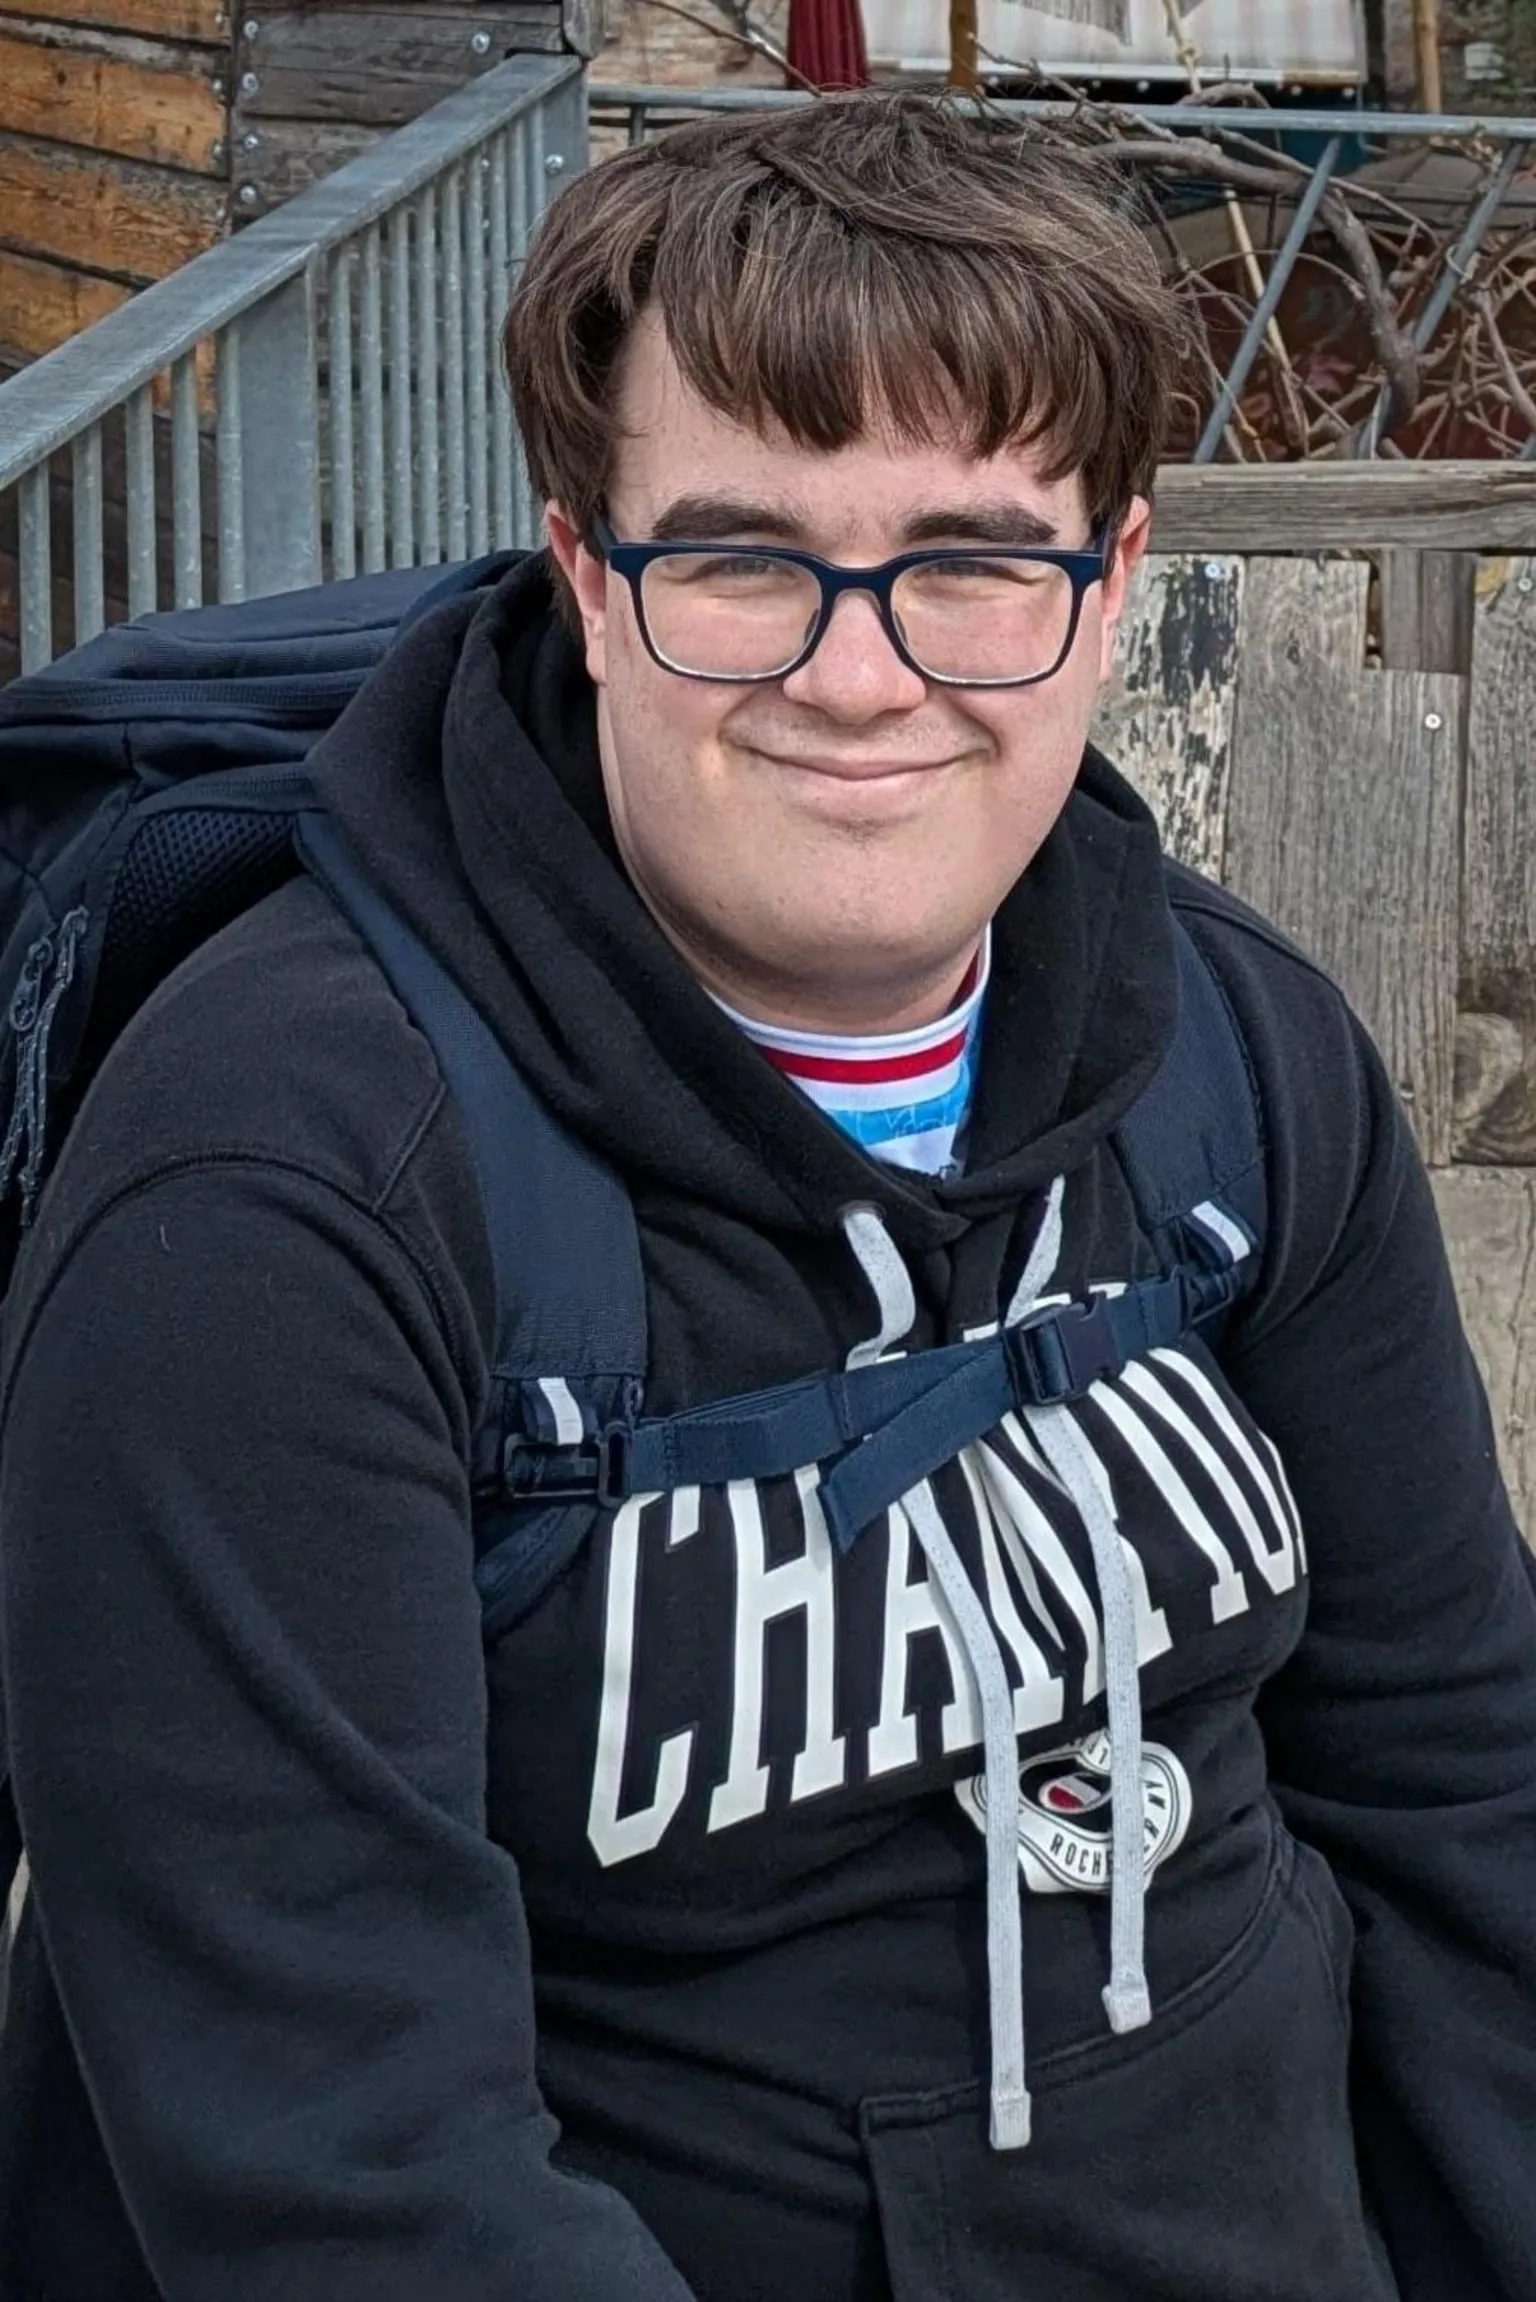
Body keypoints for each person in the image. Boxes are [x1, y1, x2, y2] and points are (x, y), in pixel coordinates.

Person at [0, 90, 1532, 2302]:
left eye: (974, 563)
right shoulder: (280, 1187)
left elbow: (1462, 1788)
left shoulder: (1236, 1057)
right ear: (586, 581)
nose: (859, 674)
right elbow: (339, 2156)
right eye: (740, 561)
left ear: (1113, 586)